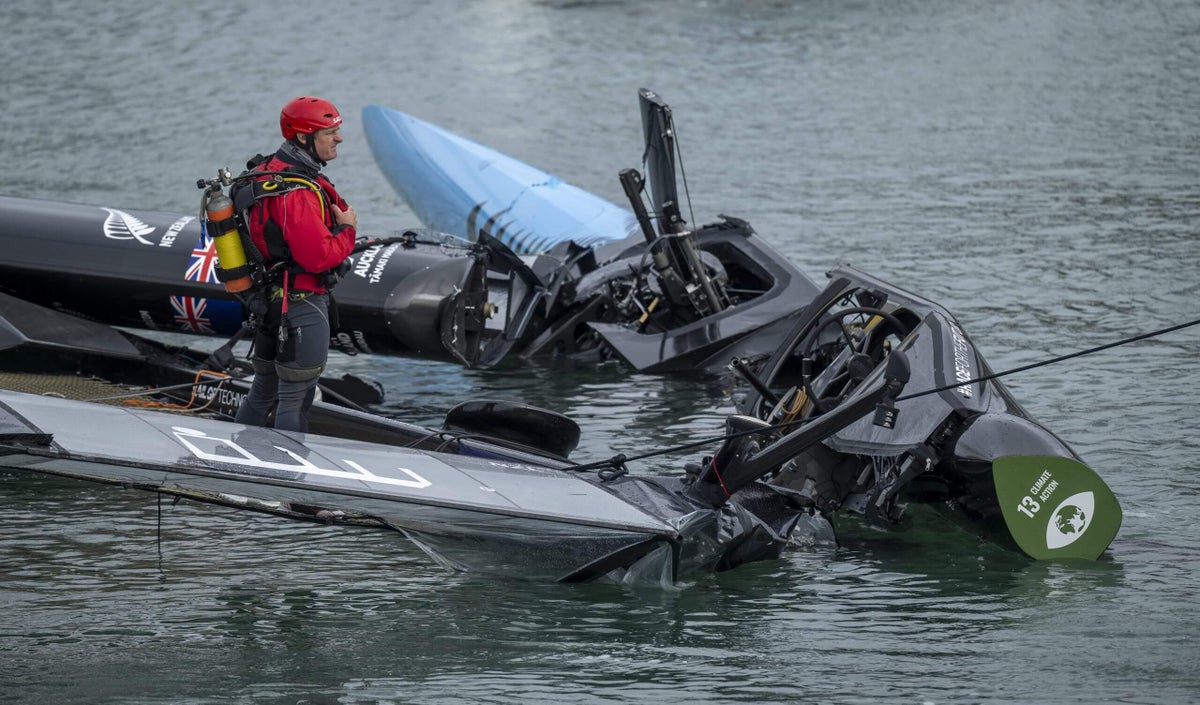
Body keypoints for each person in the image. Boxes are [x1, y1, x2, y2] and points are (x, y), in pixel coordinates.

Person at [233, 96, 358, 433]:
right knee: (295, 398)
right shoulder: (298, 192)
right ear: (303, 138)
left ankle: (237, 463)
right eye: (329, 132)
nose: (339, 138)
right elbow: (317, 257)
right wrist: (348, 229)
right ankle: (288, 478)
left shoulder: (263, 173)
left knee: (262, 392)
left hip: (267, 304)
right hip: (301, 305)